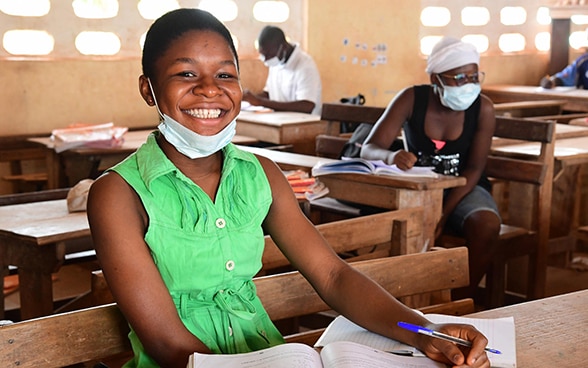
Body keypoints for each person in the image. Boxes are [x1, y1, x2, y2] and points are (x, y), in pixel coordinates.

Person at [87, 10, 491, 368]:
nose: (210, 89)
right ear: (148, 90)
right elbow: (166, 344)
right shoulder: (119, 195)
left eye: (225, 74)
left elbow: (333, 276)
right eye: (186, 74)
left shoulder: (260, 174)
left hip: (268, 355)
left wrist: (424, 332)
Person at [360, 37, 501, 301]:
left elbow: (474, 169)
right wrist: (392, 156)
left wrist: (442, 215)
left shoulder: (484, 108)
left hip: (465, 188)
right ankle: (392, 300)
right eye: (459, 78)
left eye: (473, 77)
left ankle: (458, 303)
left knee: (487, 224)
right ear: (436, 79)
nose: (468, 85)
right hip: (418, 189)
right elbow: (369, 148)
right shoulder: (412, 99)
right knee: (381, 226)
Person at [242, 25, 322, 115]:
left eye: (268, 54)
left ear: (283, 47)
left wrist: (260, 102)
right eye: (263, 55)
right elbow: (269, 94)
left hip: (305, 124)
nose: (265, 59)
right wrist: (248, 98)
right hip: (281, 120)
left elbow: (307, 106)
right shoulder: (277, 62)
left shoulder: (305, 66)